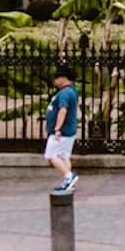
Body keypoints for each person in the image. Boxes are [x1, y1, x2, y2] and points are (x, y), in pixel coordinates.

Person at [44, 64, 79, 194]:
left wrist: (57, 128)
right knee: (64, 156)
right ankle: (68, 180)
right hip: (68, 130)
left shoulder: (65, 93)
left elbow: (62, 110)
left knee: (52, 155)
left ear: (63, 78)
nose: (55, 81)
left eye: (56, 78)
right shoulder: (71, 91)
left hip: (61, 132)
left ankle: (69, 177)